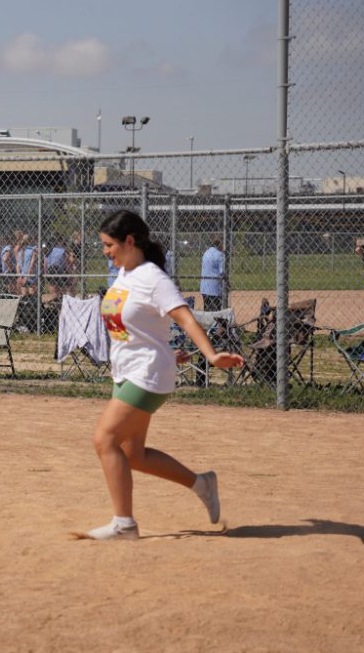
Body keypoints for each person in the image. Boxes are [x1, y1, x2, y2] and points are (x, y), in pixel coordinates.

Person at [83, 210, 244, 541]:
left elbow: (185, 319)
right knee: (133, 455)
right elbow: (139, 327)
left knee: (105, 439)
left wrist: (211, 355)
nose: (105, 251)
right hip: (130, 370)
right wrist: (165, 352)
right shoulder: (124, 277)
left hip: (147, 374)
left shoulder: (154, 278)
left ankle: (123, 524)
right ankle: (201, 484)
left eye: (108, 244)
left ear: (129, 241)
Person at [199, 237, 226, 311]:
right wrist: (227, 282)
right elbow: (222, 272)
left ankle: (207, 322)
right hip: (215, 288)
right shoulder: (220, 255)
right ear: (219, 245)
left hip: (204, 287)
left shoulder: (206, 253)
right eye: (222, 245)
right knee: (216, 312)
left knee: (207, 310)